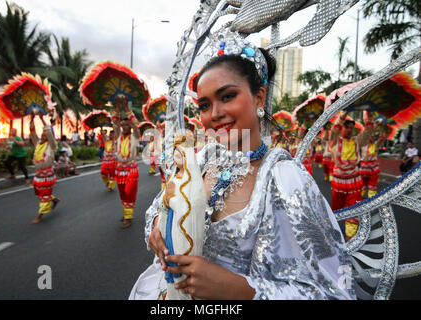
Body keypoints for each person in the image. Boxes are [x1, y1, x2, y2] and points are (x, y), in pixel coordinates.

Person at [130, 33, 355, 300]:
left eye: (227, 96)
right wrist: (159, 225)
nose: (214, 114)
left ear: (259, 98)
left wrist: (241, 289)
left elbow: (335, 292)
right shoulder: (200, 160)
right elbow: (160, 204)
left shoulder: (285, 180)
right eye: (204, 105)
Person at [329, 112, 374, 241]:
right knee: (336, 209)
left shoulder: (357, 141)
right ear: (341, 128)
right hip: (339, 181)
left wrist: (369, 120)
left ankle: (350, 237)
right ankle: (334, 235)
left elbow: (367, 134)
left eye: (351, 128)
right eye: (346, 127)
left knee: (353, 209)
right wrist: (343, 116)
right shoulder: (335, 140)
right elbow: (334, 130)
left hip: (354, 180)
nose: (349, 130)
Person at [113, 94, 140, 229]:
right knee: (122, 193)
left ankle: (128, 217)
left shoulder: (134, 137)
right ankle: (126, 213)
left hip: (131, 171)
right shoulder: (118, 137)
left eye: (126, 125)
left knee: (129, 193)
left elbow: (136, 124)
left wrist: (126, 108)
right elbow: (114, 123)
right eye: (122, 125)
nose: (123, 127)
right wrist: (117, 108)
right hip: (120, 170)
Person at [29, 113, 60, 224]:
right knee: (40, 193)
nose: (43, 136)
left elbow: (49, 132)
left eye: (45, 135)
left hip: (46, 175)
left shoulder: (52, 145)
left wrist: (42, 118)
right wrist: (32, 119)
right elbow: (32, 133)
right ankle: (55, 200)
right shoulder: (38, 143)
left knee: (44, 195)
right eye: (42, 135)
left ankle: (39, 216)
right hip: (38, 175)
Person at [359, 127, 387, 198]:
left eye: (373, 136)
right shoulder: (363, 144)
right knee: (362, 183)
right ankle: (359, 196)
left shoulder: (376, 145)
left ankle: (371, 197)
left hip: (373, 168)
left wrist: (382, 127)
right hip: (364, 167)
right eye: (371, 136)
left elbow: (382, 138)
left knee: (373, 184)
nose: (372, 137)